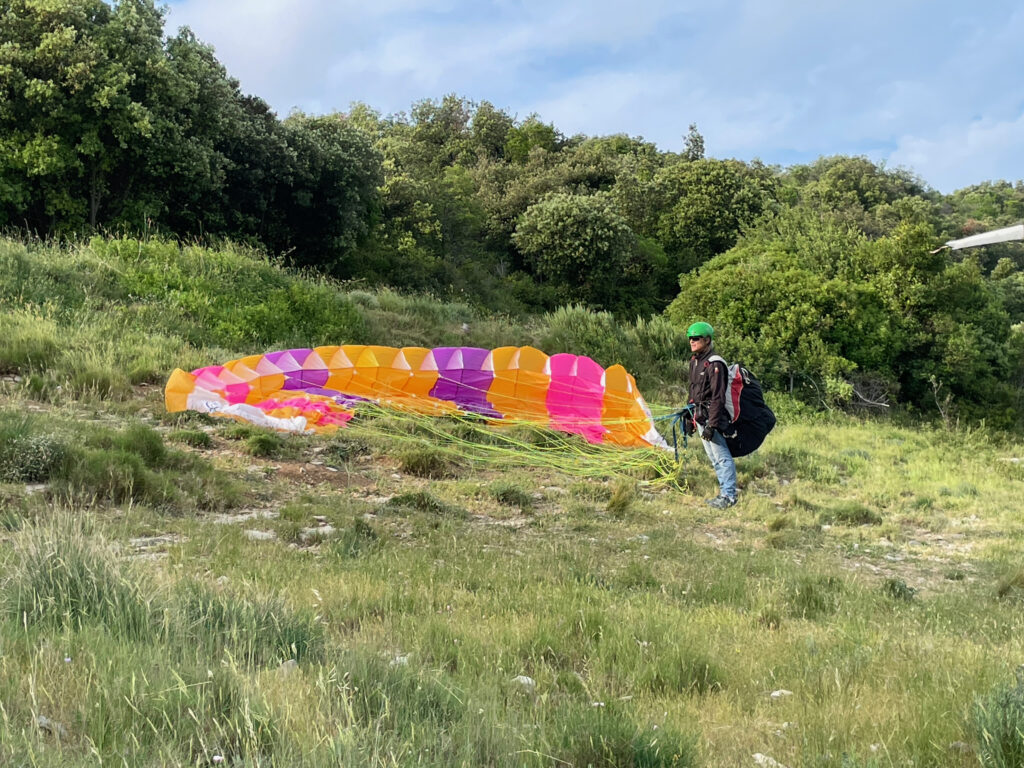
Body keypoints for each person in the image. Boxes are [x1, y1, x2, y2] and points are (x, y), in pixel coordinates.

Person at [685, 321, 737, 509]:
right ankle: (724, 493)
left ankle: (729, 496)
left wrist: (712, 425)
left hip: (712, 416)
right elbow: (693, 390)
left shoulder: (715, 363)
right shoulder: (695, 361)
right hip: (699, 415)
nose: (692, 341)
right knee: (714, 458)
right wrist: (689, 416)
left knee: (722, 456)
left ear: (707, 340)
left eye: (696, 338)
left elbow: (718, 397)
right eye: (690, 338)